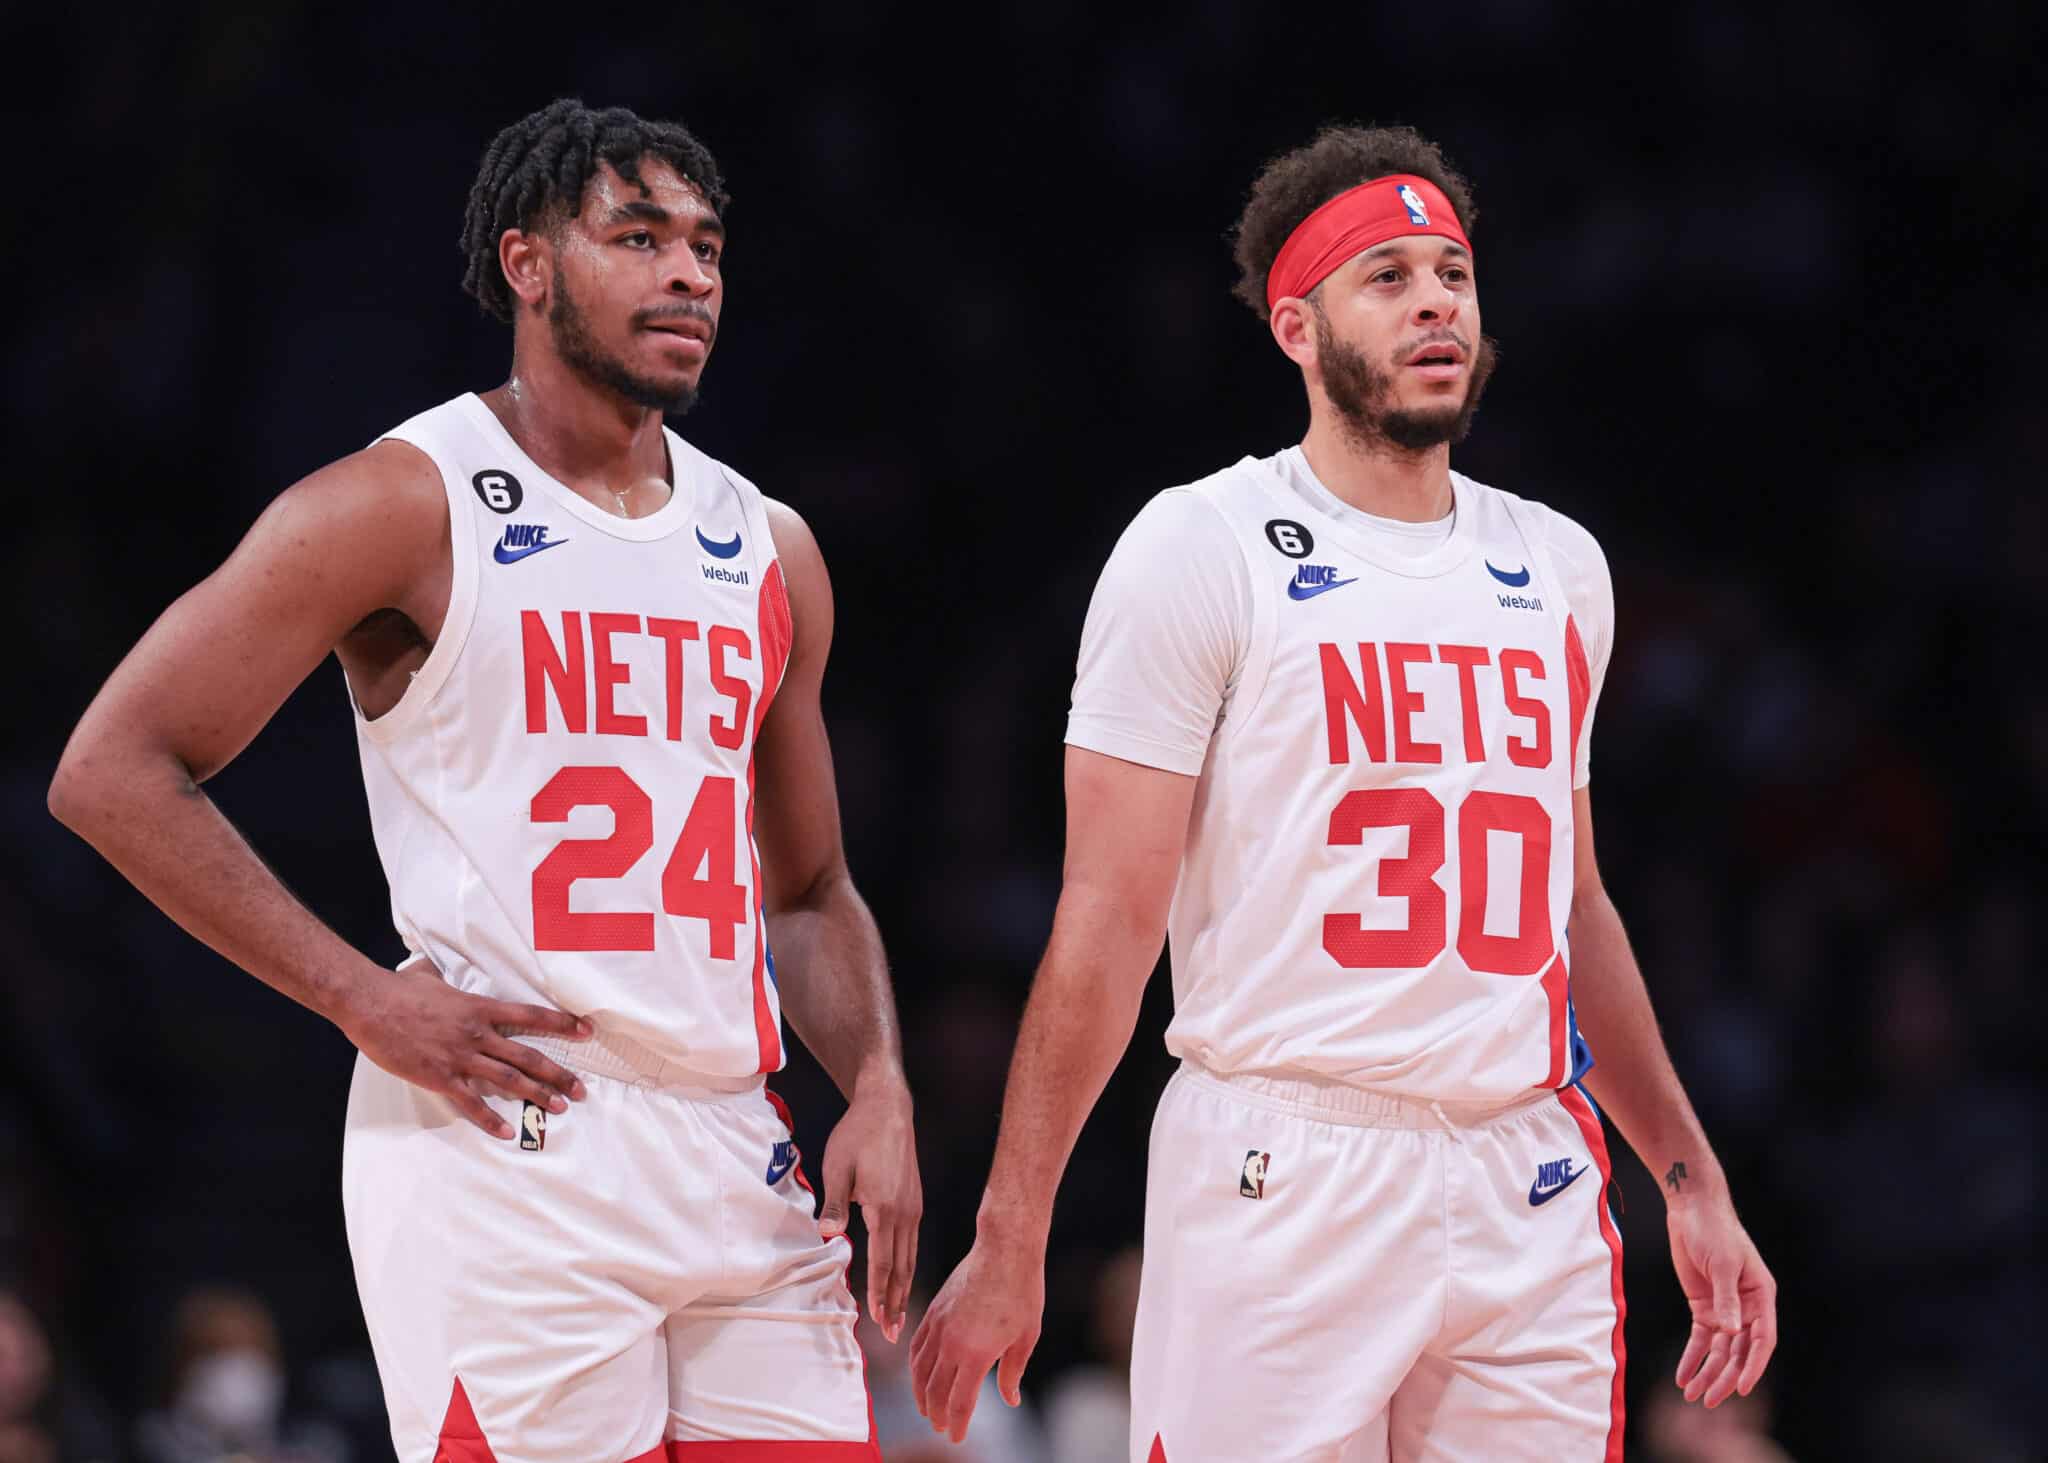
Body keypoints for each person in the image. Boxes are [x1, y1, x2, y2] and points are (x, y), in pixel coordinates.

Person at [49, 98, 919, 1461]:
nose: (690, 272)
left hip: (733, 1143)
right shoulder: (403, 501)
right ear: (528, 265)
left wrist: (879, 1087)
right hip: (511, 1137)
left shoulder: (771, 547)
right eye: (638, 236)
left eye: (705, 244)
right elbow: (112, 769)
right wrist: (354, 997)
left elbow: (807, 890)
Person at [910, 124, 1776, 1460]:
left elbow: (1576, 904)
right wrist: (1011, 1233)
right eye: (1389, 276)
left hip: (1522, 1173)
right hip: (1283, 1161)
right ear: (1297, 327)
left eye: (1453, 272)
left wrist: (1688, 1172)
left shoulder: (1560, 568)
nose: (1436, 299)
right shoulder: (1199, 548)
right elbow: (1107, 915)